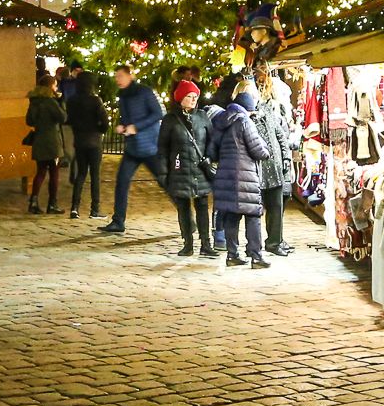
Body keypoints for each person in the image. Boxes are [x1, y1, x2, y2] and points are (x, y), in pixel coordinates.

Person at [209, 84, 271, 269]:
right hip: (245, 176)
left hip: (225, 176)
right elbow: (258, 150)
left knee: (231, 216)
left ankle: (232, 254)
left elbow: (212, 151)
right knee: (253, 215)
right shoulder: (245, 122)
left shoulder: (220, 121)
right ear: (248, 109)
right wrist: (266, 151)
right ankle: (256, 256)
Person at [99, 64, 166, 235]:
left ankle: (186, 217)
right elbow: (126, 116)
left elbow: (157, 113)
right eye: (116, 77)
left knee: (164, 181)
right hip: (133, 147)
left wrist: (137, 127)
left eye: (120, 76)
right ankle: (118, 221)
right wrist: (122, 126)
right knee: (122, 180)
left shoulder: (143, 92)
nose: (117, 80)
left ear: (130, 76)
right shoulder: (123, 96)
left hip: (149, 146)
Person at [159, 80, 216, 257]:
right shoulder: (170, 120)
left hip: (200, 169)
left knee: (202, 206)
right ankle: (188, 243)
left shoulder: (202, 116)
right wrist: (164, 172)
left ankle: (206, 243)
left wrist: (210, 158)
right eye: (189, 96)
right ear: (180, 98)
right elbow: (162, 148)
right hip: (180, 169)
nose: (193, 100)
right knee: (183, 208)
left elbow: (212, 141)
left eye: (195, 97)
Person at [253, 72, 295, 256]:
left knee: (276, 208)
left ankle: (274, 242)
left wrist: (286, 157)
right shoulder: (247, 116)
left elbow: (280, 136)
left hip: (276, 167)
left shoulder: (269, 110)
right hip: (257, 169)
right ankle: (250, 245)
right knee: (254, 210)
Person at [65, 71, 109, 219]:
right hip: (94, 140)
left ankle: (74, 207)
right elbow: (104, 122)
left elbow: (69, 119)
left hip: (79, 139)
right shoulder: (95, 100)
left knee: (81, 174)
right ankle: (94, 209)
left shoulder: (72, 100)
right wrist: (100, 129)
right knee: (95, 175)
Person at [25, 73, 68, 214]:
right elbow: (63, 117)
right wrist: (61, 101)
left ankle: (33, 201)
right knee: (54, 172)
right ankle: (52, 203)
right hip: (52, 142)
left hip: (39, 140)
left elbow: (29, 121)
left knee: (41, 172)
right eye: (55, 85)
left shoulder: (34, 102)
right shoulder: (51, 102)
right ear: (51, 86)